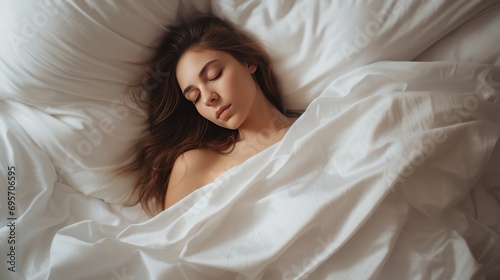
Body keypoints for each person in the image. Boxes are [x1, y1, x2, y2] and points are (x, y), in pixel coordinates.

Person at [125, 16, 298, 216]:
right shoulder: (194, 166)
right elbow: (174, 243)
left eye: (214, 75)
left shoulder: (319, 120)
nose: (208, 98)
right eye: (195, 97)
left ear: (248, 62)